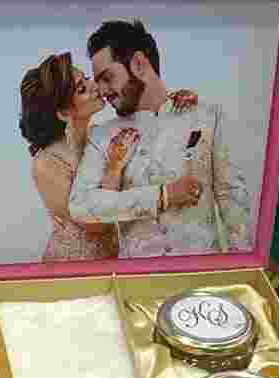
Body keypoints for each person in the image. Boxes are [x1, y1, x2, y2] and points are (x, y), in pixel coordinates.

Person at [68, 19, 256, 259]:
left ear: (138, 64)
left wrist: (242, 268)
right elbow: (80, 205)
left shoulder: (206, 116)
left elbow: (233, 199)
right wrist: (161, 196)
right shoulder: (103, 136)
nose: (102, 91)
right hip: (136, 279)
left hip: (202, 275)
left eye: (107, 78)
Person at [19, 52, 197, 262]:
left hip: (115, 261)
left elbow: (149, 141)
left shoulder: (102, 135)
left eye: (86, 78)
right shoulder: (47, 163)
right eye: (82, 89)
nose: (94, 86)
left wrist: (172, 105)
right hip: (72, 269)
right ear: (64, 112)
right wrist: (114, 168)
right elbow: (96, 224)